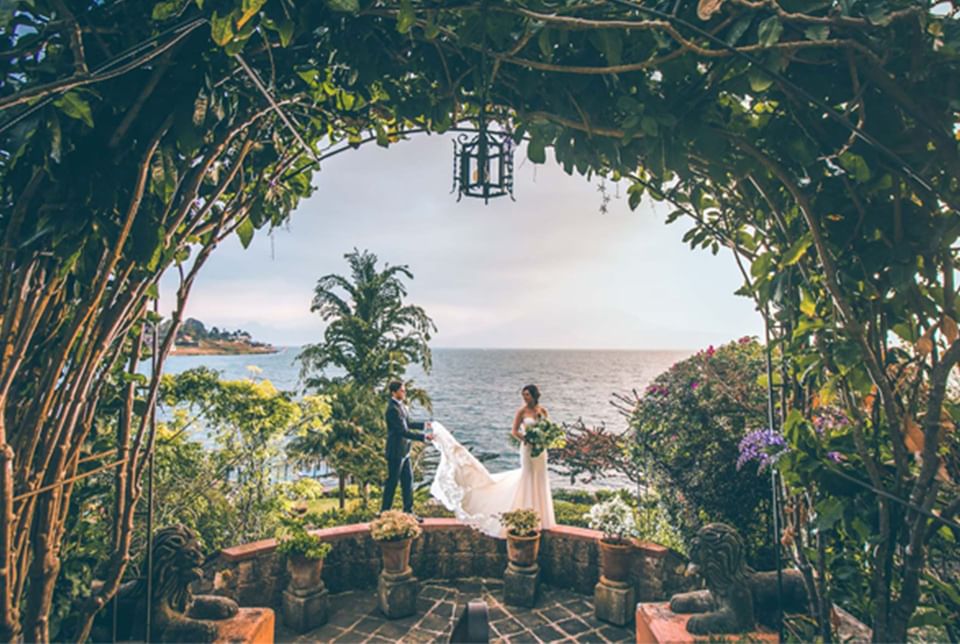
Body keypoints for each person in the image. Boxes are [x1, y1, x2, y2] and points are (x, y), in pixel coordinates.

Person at [429, 384, 556, 538]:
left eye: (527, 395)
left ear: (535, 395)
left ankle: (541, 517)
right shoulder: (521, 412)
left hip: (541, 451)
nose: (524, 397)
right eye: (523, 395)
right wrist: (527, 439)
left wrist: (544, 439)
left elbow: (548, 429)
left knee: (540, 477)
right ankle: (526, 512)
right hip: (528, 449)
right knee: (528, 475)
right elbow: (514, 431)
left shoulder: (543, 411)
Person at [381, 381, 433, 519]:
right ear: (394, 392)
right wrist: (423, 437)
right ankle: (384, 512)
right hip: (396, 452)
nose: (404, 393)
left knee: (408, 481)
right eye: (402, 391)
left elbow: (409, 423)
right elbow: (402, 431)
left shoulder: (402, 407)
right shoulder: (392, 409)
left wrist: (425, 425)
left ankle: (409, 512)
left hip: (405, 451)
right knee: (392, 482)